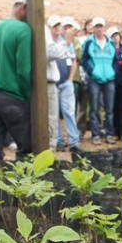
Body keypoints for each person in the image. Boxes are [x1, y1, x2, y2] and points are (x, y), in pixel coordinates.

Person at [0, 0, 32, 167]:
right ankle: (25, 189)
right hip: (13, 97)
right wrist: (28, 96)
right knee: (27, 149)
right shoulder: (24, 30)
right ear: (24, 7)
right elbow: (24, 70)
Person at [82, 16, 117, 145]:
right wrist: (92, 72)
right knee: (94, 107)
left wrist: (113, 72)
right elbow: (84, 60)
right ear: (94, 28)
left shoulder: (111, 43)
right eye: (96, 26)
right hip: (94, 79)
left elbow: (115, 61)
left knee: (109, 108)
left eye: (100, 26)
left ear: (104, 27)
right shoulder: (89, 43)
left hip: (109, 79)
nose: (98, 29)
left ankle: (109, 134)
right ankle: (95, 134)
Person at [45, 15, 72, 149]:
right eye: (54, 25)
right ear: (49, 27)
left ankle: (53, 145)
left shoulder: (57, 41)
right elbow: (53, 53)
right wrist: (67, 42)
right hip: (47, 83)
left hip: (56, 83)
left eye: (58, 25)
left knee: (56, 116)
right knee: (51, 117)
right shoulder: (47, 39)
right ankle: (51, 147)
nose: (57, 28)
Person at [54, 19, 81, 153]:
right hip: (53, 84)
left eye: (60, 25)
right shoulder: (50, 43)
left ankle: (74, 142)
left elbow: (74, 61)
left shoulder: (69, 44)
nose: (59, 28)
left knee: (69, 113)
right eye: (57, 26)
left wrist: (70, 79)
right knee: (54, 115)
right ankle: (58, 141)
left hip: (66, 83)